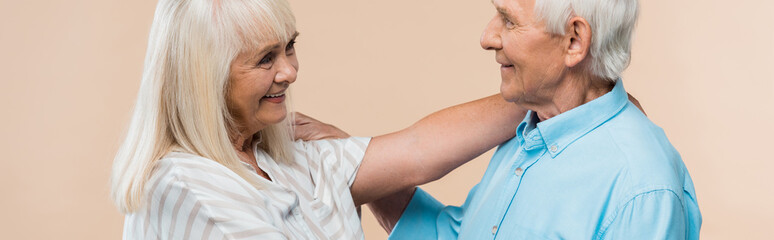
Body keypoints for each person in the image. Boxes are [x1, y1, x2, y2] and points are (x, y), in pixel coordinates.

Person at [109, 0, 527, 239]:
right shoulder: (184, 186)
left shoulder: (281, 154)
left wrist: (550, 87)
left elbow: (419, 150)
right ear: (206, 78)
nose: (289, 71)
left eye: (289, 48)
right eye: (265, 59)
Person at [363, 0, 702, 239]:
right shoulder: (529, 129)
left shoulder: (641, 189)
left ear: (574, 41)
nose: (487, 37)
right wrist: (347, 165)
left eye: (508, 19)